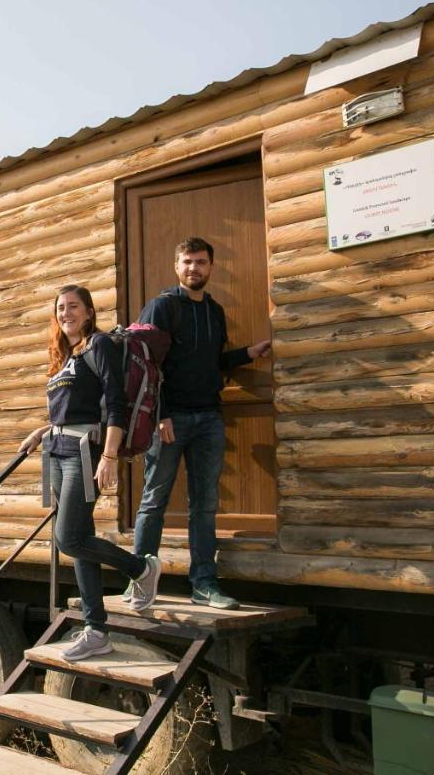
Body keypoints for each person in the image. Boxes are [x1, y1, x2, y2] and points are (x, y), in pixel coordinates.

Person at [20, 284, 161, 661]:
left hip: (85, 453)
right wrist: (42, 430)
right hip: (57, 450)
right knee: (78, 539)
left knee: (68, 539)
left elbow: (114, 403)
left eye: (73, 307)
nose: (66, 313)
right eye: (60, 308)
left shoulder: (98, 346)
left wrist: (110, 456)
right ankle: (95, 629)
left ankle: (140, 569)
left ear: (88, 312)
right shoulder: (65, 356)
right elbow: (70, 410)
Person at [131, 237, 271, 611]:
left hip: (209, 417)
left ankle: (204, 584)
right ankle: (139, 583)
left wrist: (245, 355)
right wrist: (160, 414)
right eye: (188, 262)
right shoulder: (162, 307)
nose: (195, 268)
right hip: (170, 420)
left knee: (204, 506)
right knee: (153, 501)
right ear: (177, 267)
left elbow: (210, 362)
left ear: (211, 268)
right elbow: (145, 366)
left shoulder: (215, 311)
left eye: (202, 262)